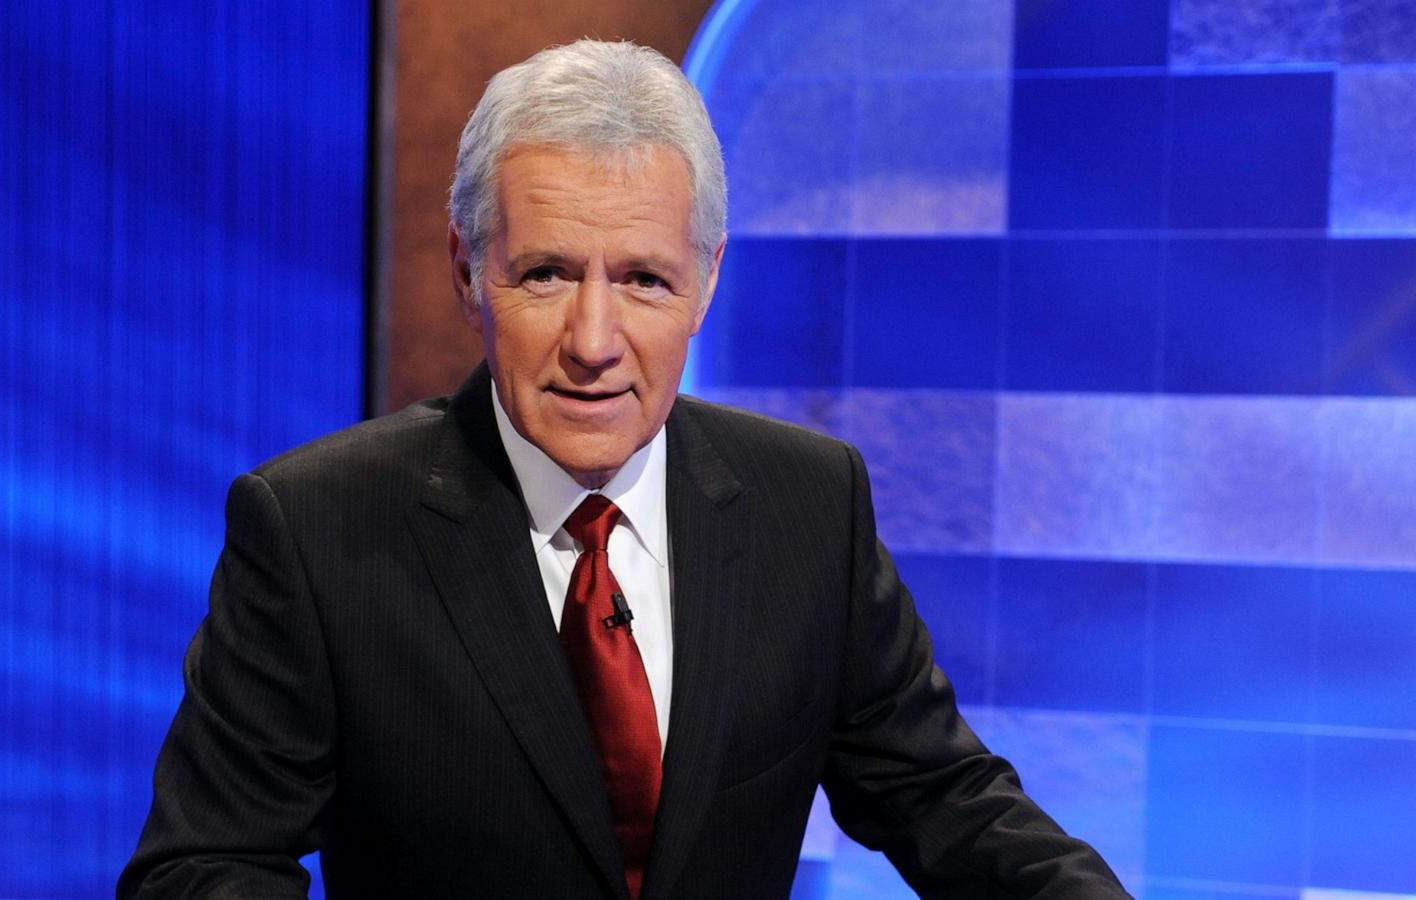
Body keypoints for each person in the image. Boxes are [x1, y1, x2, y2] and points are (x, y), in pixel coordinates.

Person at [120, 39, 1128, 899]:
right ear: (466, 266)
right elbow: (205, 866)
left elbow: (941, 798)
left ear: (707, 281)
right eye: (546, 274)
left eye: (643, 280)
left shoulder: (810, 505)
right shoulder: (316, 528)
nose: (594, 340)